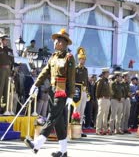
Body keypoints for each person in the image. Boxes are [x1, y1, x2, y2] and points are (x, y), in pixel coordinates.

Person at [24, 28, 75, 157]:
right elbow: (45, 72)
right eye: (55, 40)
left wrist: (71, 95)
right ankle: (63, 151)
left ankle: (37, 144)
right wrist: (36, 85)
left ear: (64, 43)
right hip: (53, 90)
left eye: (58, 40)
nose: (55, 42)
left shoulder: (69, 58)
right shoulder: (53, 57)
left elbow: (72, 77)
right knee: (58, 121)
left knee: (52, 116)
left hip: (63, 91)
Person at [73, 47, 89, 137]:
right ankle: (74, 126)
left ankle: (80, 129)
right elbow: (73, 81)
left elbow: (86, 81)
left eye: (84, 59)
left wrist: (88, 92)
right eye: (82, 59)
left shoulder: (85, 70)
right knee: (76, 110)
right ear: (79, 59)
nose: (83, 60)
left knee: (82, 111)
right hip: (77, 91)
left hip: (84, 91)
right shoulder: (76, 69)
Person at [0, 34, 14, 113]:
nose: (6, 41)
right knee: (0, 89)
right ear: (1, 41)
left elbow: (13, 61)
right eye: (5, 40)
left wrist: (13, 71)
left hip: (8, 71)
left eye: (7, 40)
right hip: (1, 70)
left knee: (7, 90)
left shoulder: (10, 50)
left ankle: (5, 110)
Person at [95, 68, 111, 135]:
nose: (108, 74)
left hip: (107, 99)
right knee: (100, 114)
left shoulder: (107, 81)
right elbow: (97, 90)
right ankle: (98, 129)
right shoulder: (101, 80)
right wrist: (98, 98)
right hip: (102, 98)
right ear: (104, 73)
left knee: (106, 114)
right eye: (107, 73)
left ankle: (105, 129)